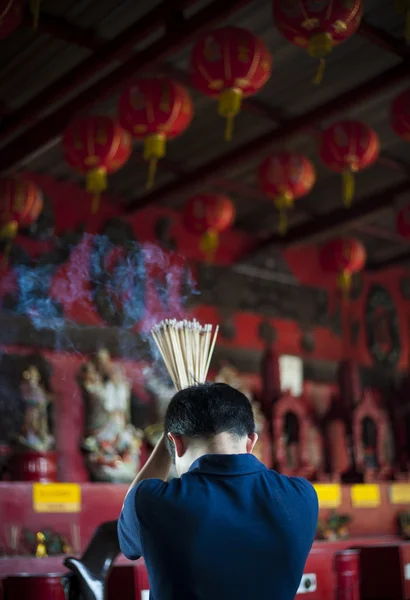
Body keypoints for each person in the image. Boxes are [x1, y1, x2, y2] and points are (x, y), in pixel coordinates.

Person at [118, 383, 318, 600]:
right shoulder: (302, 496)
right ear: (251, 441)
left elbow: (129, 541)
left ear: (175, 443)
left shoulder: (152, 502)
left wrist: (166, 442)